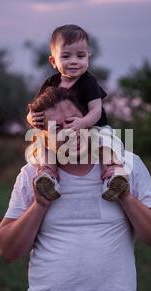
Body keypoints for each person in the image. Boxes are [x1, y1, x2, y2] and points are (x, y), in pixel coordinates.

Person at [0, 87, 151, 291]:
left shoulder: (127, 165)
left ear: (89, 121)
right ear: (44, 137)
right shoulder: (31, 174)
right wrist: (39, 205)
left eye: (73, 122)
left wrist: (125, 197)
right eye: (57, 128)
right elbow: (7, 250)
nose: (69, 133)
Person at [27, 24, 128, 202]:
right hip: (63, 132)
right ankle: (48, 176)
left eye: (80, 56)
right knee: (42, 144)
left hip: (94, 126)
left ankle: (113, 176)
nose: (74, 61)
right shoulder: (51, 83)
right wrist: (31, 118)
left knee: (107, 145)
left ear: (88, 57)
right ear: (53, 61)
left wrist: (82, 123)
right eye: (66, 56)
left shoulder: (89, 82)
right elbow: (36, 107)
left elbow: (96, 111)